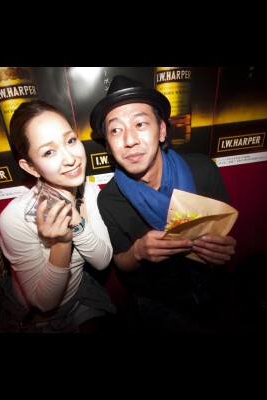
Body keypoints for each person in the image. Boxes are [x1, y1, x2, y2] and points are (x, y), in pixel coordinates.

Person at [89, 75, 237, 333]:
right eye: (116, 130)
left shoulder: (203, 170)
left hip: (211, 284)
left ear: (162, 131)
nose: (130, 140)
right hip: (156, 298)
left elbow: (224, 237)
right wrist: (139, 251)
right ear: (109, 146)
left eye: (140, 124)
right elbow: (121, 261)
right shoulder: (109, 199)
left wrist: (221, 250)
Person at [0, 99, 116, 333]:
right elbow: (45, 303)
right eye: (49, 152)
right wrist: (61, 242)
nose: (70, 159)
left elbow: (102, 261)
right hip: (37, 316)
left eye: (70, 141)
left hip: (81, 297)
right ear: (31, 167)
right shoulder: (14, 217)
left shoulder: (90, 191)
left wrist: (76, 221)